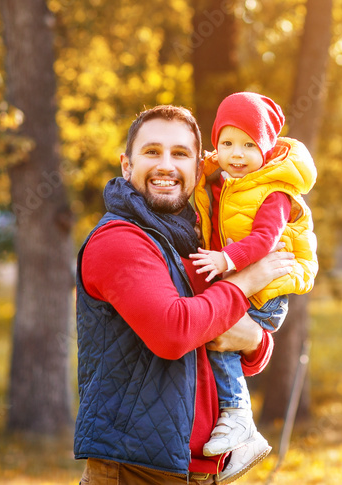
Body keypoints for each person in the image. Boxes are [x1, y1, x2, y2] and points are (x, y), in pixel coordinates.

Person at [74, 104, 295, 485]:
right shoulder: (120, 240)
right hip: (135, 469)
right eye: (151, 152)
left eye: (180, 154)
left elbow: (220, 346)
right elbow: (174, 333)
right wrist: (245, 283)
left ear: (198, 168)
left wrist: (257, 340)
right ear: (126, 166)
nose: (165, 165)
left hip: (197, 469)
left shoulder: (192, 244)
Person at [188, 92, 318, 475]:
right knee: (216, 347)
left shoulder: (274, 190)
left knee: (220, 338)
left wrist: (225, 260)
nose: (237, 153)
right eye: (227, 143)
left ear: (266, 148)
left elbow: (263, 240)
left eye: (248, 144)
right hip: (248, 283)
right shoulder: (225, 182)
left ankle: (239, 419)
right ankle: (240, 437)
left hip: (266, 293)